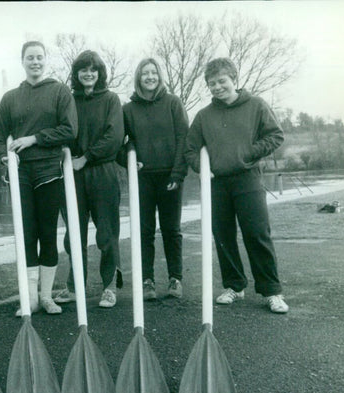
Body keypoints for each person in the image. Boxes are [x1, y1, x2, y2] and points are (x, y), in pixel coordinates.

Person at [185, 57, 288, 314]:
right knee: (223, 235)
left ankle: (271, 291)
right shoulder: (203, 116)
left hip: (248, 178)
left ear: (234, 79)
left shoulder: (256, 106)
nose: (217, 87)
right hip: (217, 184)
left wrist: (249, 153)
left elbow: (275, 135)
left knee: (257, 233)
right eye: (212, 83)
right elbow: (189, 149)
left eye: (222, 81)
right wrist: (202, 167)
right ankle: (234, 286)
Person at [0, 41, 78, 316]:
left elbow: (69, 130)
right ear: (23, 61)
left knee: (47, 234)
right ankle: (29, 298)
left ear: (45, 60)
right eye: (30, 58)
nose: (35, 62)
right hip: (21, 175)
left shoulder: (59, 91)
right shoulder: (10, 98)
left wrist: (34, 138)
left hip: (50, 172)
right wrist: (5, 158)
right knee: (27, 235)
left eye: (40, 57)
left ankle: (46, 297)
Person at [52, 50, 124, 309]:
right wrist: (66, 154)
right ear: (77, 73)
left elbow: (114, 137)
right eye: (83, 69)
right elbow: (63, 131)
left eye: (93, 69)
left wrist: (87, 158)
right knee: (74, 233)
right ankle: (74, 286)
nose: (88, 74)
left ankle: (108, 287)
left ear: (100, 73)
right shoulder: (68, 100)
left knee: (106, 232)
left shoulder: (111, 100)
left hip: (102, 172)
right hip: (72, 174)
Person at [122, 57, 189, 301]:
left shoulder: (173, 103)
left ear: (159, 76)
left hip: (170, 176)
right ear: (138, 78)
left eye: (154, 73)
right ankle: (147, 281)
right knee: (144, 231)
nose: (150, 77)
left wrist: (178, 173)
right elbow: (121, 141)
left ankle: (175, 279)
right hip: (142, 178)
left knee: (171, 229)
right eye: (145, 73)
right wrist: (129, 158)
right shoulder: (128, 109)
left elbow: (184, 138)